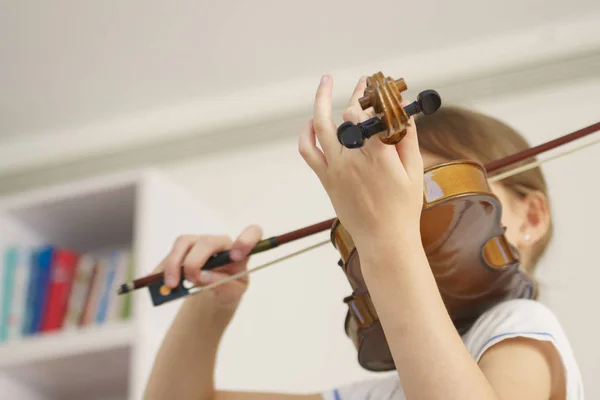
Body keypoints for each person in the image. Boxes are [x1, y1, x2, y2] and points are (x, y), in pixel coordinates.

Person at [144, 75, 584, 400]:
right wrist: (210, 305)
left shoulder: (520, 326)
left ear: (531, 216)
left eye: (427, 188)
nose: (407, 217)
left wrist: (386, 239)